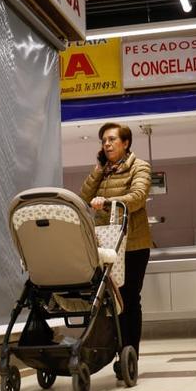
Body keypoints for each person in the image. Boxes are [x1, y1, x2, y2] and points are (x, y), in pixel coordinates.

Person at [79, 122, 152, 370]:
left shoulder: (139, 167)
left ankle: (129, 355)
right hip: (107, 245)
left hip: (133, 244)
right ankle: (109, 348)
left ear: (126, 142)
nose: (107, 144)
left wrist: (108, 201)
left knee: (129, 298)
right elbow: (85, 196)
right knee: (106, 300)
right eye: (104, 141)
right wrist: (98, 170)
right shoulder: (103, 171)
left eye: (112, 139)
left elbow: (137, 197)